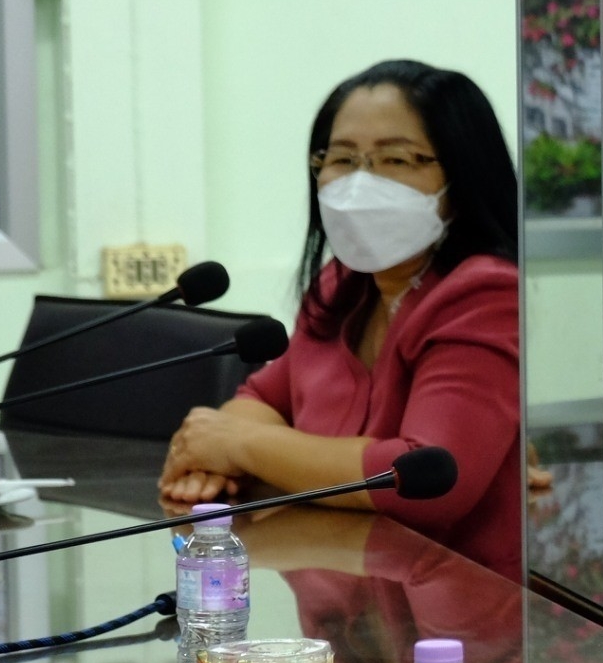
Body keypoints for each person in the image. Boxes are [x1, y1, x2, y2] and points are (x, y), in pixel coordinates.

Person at [158, 60, 522, 581]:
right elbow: (264, 399)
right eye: (342, 158)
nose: (360, 182)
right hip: (343, 593)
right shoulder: (343, 284)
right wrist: (213, 458)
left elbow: (427, 481)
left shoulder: (485, 291)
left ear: (462, 175)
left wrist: (237, 447)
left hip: (459, 610)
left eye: (395, 158)